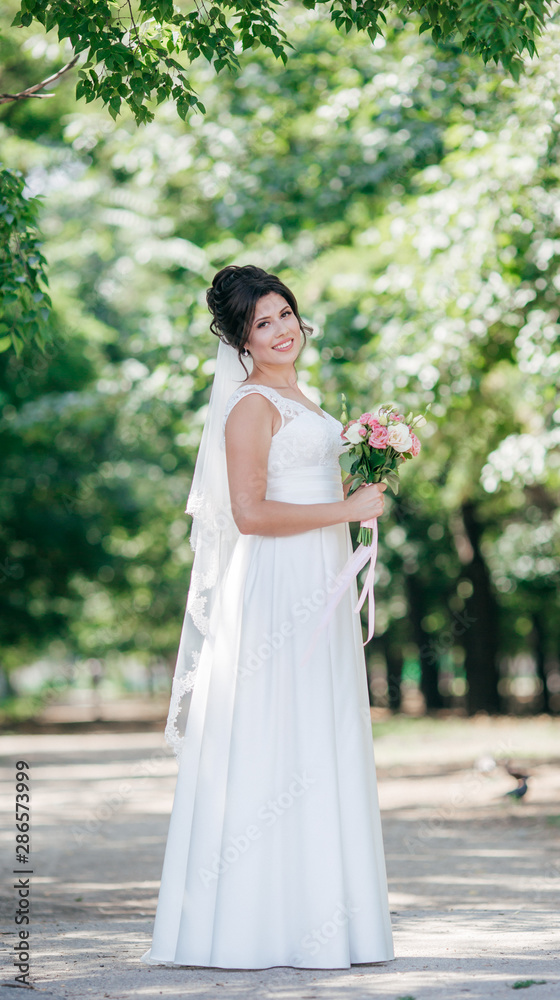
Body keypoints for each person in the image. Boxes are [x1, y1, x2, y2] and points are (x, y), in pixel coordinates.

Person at [140, 264, 394, 970]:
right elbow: (249, 514)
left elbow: (302, 483)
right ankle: (251, 924)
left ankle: (317, 916)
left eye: (285, 314)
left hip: (320, 575)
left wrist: (362, 475)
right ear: (240, 339)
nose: (281, 331)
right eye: (262, 324)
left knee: (317, 730)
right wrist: (345, 509)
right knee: (276, 730)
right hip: (278, 586)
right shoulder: (250, 405)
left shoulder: (303, 398)